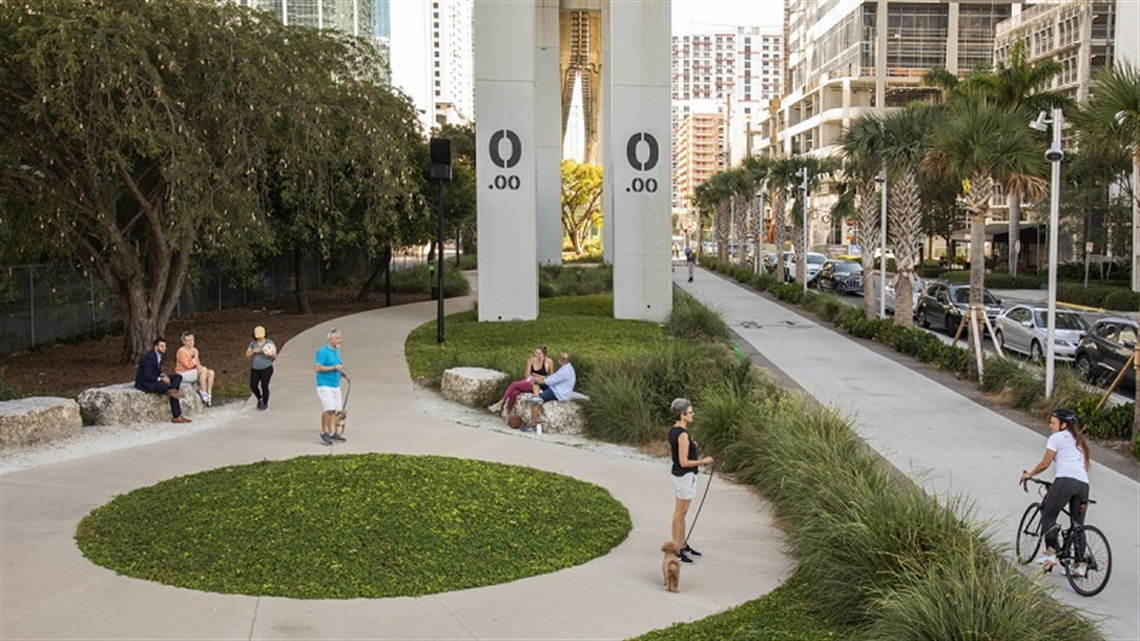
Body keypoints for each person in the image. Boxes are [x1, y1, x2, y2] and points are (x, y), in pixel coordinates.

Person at [1020, 407, 1091, 573]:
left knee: (1048, 514)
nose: (1050, 426)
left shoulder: (1057, 437)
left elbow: (1046, 463)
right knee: (1078, 524)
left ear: (1063, 424)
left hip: (1065, 480)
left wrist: (1030, 474)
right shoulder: (1079, 441)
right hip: (1083, 485)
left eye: (1053, 423)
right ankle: (1079, 566)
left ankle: (1051, 554)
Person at [668, 398, 713, 564]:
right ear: (682, 414)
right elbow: (684, 462)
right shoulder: (682, 435)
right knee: (679, 514)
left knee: (682, 514)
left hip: (682, 477)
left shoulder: (676, 430)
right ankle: (677, 550)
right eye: (690, 412)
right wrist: (703, 461)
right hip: (684, 477)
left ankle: (683, 544)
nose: (693, 414)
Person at [134, 337, 190, 424]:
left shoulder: (159, 356)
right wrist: (160, 379)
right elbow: (147, 375)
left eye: (165, 346)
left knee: (177, 377)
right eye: (162, 346)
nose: (164, 348)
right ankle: (177, 416)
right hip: (146, 383)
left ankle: (174, 389)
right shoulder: (150, 357)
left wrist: (163, 375)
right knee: (169, 389)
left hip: (155, 378)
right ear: (156, 347)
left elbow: (157, 371)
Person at [487, 345, 554, 415]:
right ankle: (508, 412)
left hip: (538, 384)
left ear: (543, 354)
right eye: (536, 352)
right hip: (529, 381)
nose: (536, 355)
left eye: (539, 354)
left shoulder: (549, 362)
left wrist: (539, 377)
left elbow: (551, 377)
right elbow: (526, 375)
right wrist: (530, 365)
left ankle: (500, 402)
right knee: (514, 393)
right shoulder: (531, 360)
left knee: (514, 384)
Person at [525, 352, 575, 433]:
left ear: (560, 360)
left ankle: (533, 425)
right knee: (537, 383)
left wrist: (536, 379)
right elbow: (553, 378)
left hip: (558, 393)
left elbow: (548, 381)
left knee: (534, 401)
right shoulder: (568, 368)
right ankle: (536, 395)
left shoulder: (564, 372)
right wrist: (540, 379)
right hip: (556, 387)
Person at [314, 328, 348, 446]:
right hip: (324, 385)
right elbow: (318, 368)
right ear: (330, 338)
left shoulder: (336, 351)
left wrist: (342, 374)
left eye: (340, 338)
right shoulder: (322, 351)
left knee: (335, 411)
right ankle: (325, 432)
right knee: (328, 410)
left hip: (335, 384)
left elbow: (338, 365)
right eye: (338, 338)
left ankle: (333, 432)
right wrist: (334, 368)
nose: (340, 340)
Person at [175, 331, 215, 407]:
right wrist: (195, 359)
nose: (191, 342)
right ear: (184, 342)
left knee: (210, 372)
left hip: (192, 371)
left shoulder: (195, 350)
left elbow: (197, 363)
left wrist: (199, 365)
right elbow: (187, 365)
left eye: (192, 340)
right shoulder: (181, 351)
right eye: (189, 340)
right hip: (183, 373)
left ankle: (209, 393)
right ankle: (202, 390)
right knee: (203, 370)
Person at [245, 325, 276, 411]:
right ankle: (260, 398)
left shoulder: (269, 343)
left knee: (264, 385)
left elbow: (274, 355)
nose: (259, 338)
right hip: (255, 368)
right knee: (253, 385)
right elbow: (247, 355)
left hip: (266, 368)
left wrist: (270, 354)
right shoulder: (253, 343)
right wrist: (254, 351)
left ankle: (265, 403)